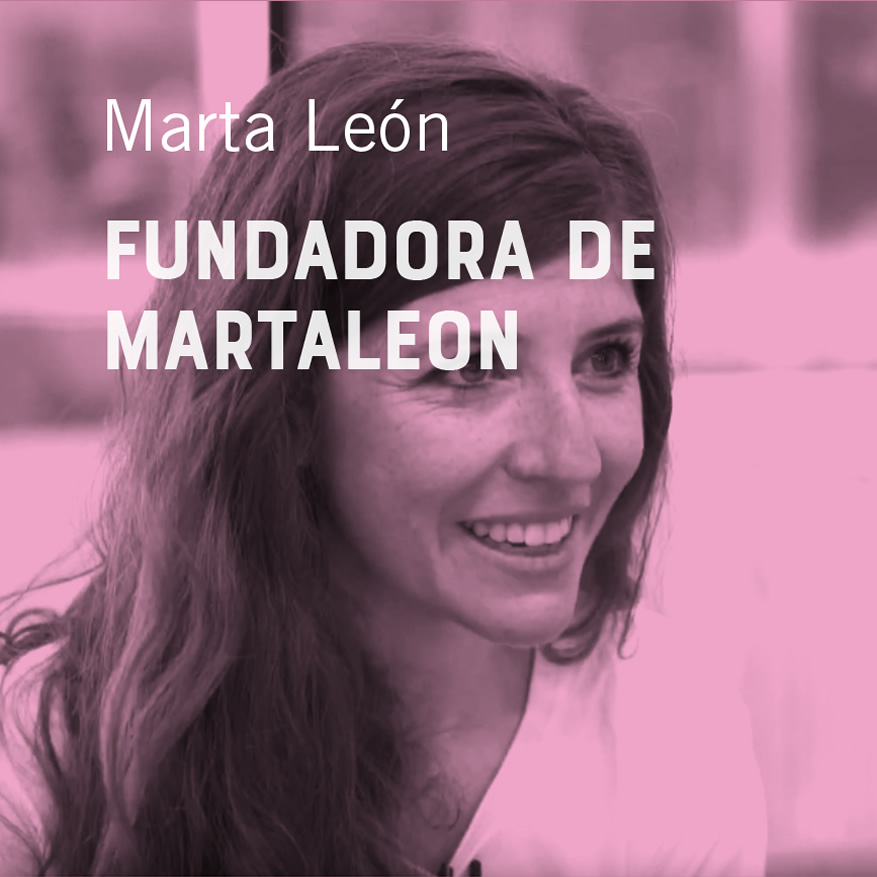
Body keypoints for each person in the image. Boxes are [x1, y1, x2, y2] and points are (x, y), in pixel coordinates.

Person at [0, 41, 767, 876]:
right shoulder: (45, 761)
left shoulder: (672, 742)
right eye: (467, 368)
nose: (572, 455)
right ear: (284, 405)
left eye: (606, 359)